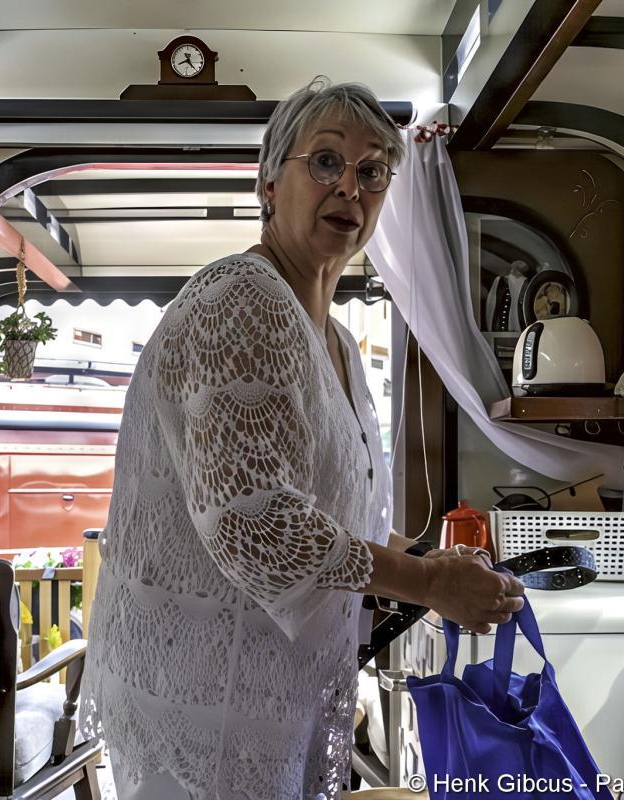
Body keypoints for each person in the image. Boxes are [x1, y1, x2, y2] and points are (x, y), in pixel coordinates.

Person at [80, 78, 525, 800]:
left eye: (372, 171)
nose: (350, 187)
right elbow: (255, 524)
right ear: (268, 184)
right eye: (325, 161)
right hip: (208, 707)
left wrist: (428, 559)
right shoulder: (242, 301)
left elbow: (330, 517)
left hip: (268, 694)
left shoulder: (337, 342)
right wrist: (428, 584)